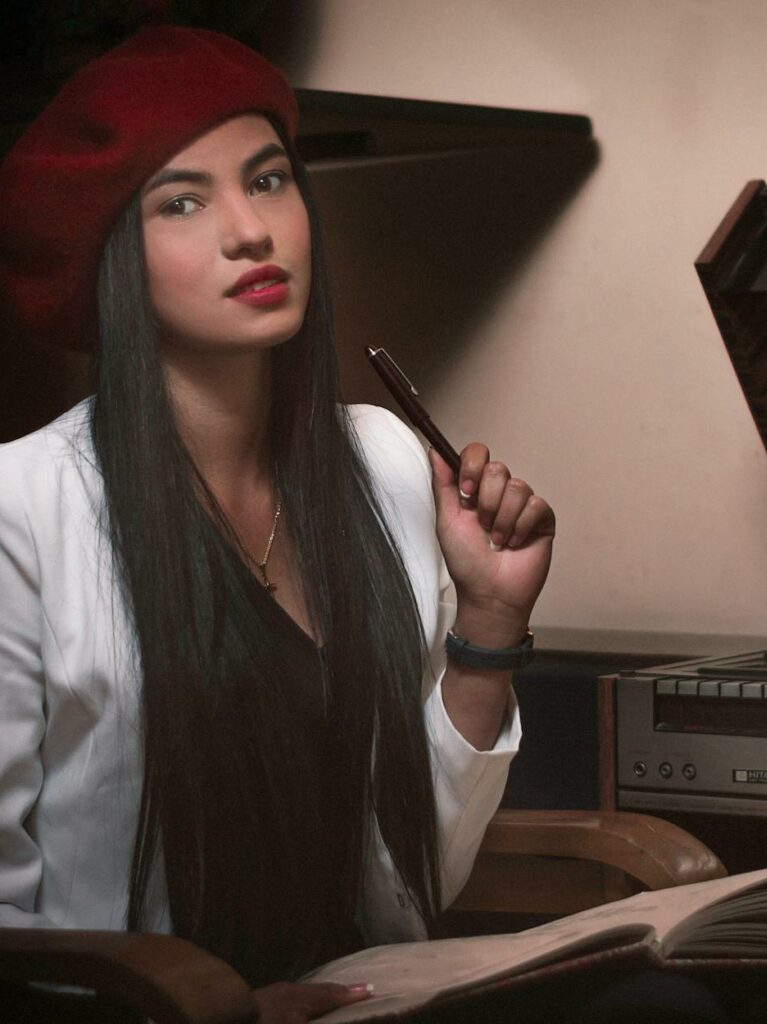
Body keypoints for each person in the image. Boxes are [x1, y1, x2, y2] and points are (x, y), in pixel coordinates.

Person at [0, 25, 555, 1022]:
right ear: (112, 260)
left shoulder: (383, 460)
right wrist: (230, 1011)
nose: (249, 231)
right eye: (182, 201)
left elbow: (418, 871)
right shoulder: (22, 510)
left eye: (266, 181)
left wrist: (489, 631)